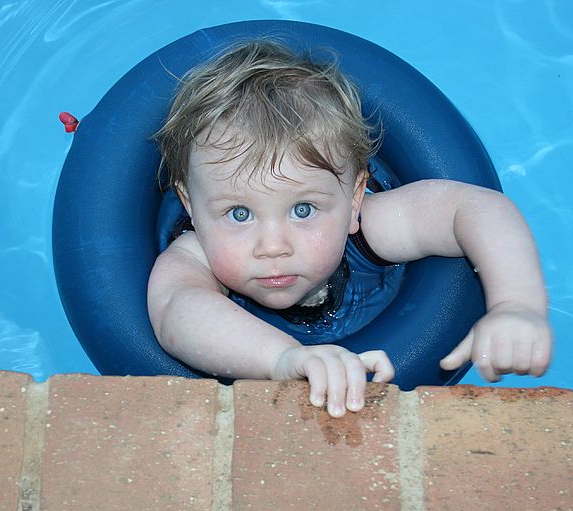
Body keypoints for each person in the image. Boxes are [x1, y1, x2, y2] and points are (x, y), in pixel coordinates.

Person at [148, 39, 552, 418]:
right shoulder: (194, 254)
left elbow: (476, 207)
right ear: (190, 206)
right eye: (239, 214)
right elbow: (176, 312)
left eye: (303, 209)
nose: (272, 246)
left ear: (354, 199)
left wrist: (517, 306)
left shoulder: (369, 229)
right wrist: (282, 358)